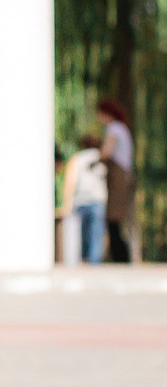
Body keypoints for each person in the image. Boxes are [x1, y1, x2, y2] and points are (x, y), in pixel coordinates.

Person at [98, 99, 137, 263]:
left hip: (119, 177)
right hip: (125, 176)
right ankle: (120, 256)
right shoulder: (122, 128)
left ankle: (121, 258)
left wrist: (95, 159)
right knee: (117, 219)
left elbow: (107, 152)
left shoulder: (113, 128)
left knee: (113, 218)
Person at [64, 134, 109, 265]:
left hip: (81, 200)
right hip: (98, 200)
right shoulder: (101, 157)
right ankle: (94, 262)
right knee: (96, 234)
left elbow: (71, 181)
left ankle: (84, 260)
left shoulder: (77, 159)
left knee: (83, 234)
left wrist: (68, 202)